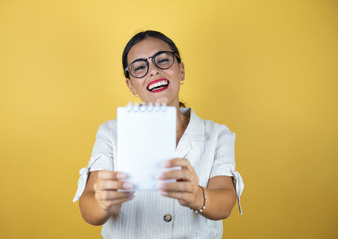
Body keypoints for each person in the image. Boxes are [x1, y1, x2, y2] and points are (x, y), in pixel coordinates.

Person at [73, 30, 244, 238]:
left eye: (162, 60)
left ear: (181, 70)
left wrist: (198, 196)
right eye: (139, 67)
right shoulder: (111, 132)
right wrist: (104, 202)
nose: (153, 70)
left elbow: (226, 201)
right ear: (131, 85)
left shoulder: (218, 134)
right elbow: (88, 208)